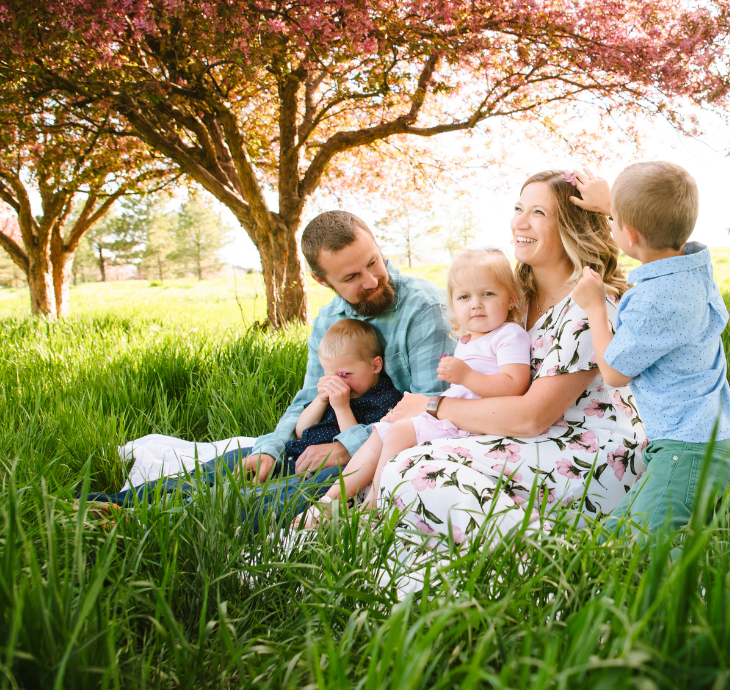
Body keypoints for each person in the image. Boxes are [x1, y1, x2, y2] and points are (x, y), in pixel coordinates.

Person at [88, 210, 453, 523]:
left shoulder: (424, 311)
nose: (372, 280)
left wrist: (347, 449)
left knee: (277, 496)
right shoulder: (329, 319)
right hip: (325, 437)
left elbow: (431, 410)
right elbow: (310, 395)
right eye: (351, 278)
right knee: (238, 463)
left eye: (373, 261)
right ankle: (104, 508)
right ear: (323, 281)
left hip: (384, 451)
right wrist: (271, 447)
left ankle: (160, 523)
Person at [368, 170, 646, 544]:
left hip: (590, 456)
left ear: (571, 226)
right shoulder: (517, 299)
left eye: (538, 213)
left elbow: (531, 417)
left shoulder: (589, 302)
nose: (520, 221)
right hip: (536, 441)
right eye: (518, 208)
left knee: (411, 468)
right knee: (411, 457)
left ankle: (545, 555)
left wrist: (434, 405)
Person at [298, 248, 532, 526]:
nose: (476, 304)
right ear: (454, 305)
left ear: (511, 299)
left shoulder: (509, 334)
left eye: (488, 294)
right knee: (380, 431)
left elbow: (514, 385)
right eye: (464, 297)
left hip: (473, 423)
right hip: (453, 416)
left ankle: (373, 505)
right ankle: (332, 498)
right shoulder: (469, 340)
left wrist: (466, 376)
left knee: (398, 432)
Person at [571, 161, 730, 534]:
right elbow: (650, 221)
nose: (609, 225)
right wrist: (614, 205)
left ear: (629, 235)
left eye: (613, 222)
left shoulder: (656, 300)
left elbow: (614, 373)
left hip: (687, 451)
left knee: (644, 547)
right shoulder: (691, 265)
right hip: (701, 442)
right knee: (614, 534)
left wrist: (596, 307)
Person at [287, 319, 401, 472]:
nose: (338, 383)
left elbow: (363, 449)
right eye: (329, 375)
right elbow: (301, 431)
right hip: (299, 454)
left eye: (346, 374)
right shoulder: (328, 397)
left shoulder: (383, 400)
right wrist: (320, 400)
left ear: (375, 366)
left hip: (338, 466)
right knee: (249, 457)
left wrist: (342, 408)